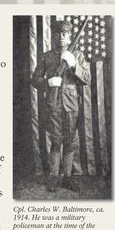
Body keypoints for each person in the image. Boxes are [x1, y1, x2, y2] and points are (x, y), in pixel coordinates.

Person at [31, 19, 91, 192]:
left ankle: (68, 177)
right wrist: (48, 82)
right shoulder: (47, 56)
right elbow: (35, 80)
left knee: (70, 141)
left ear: (70, 36)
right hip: (54, 104)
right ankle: (54, 177)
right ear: (53, 35)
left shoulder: (77, 55)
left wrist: (73, 65)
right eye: (58, 34)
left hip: (71, 104)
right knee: (56, 141)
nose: (61, 38)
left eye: (65, 34)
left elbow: (87, 79)